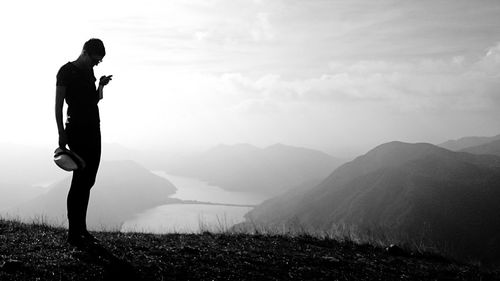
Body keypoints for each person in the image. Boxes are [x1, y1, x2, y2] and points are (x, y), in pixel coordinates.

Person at [55, 38, 112, 247]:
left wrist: (100, 85)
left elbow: (93, 101)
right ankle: (73, 232)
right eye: (95, 61)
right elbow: (58, 105)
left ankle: (82, 229)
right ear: (85, 53)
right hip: (76, 131)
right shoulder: (65, 71)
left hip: (93, 129)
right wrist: (61, 133)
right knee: (80, 179)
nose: (96, 65)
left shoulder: (90, 73)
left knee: (89, 180)